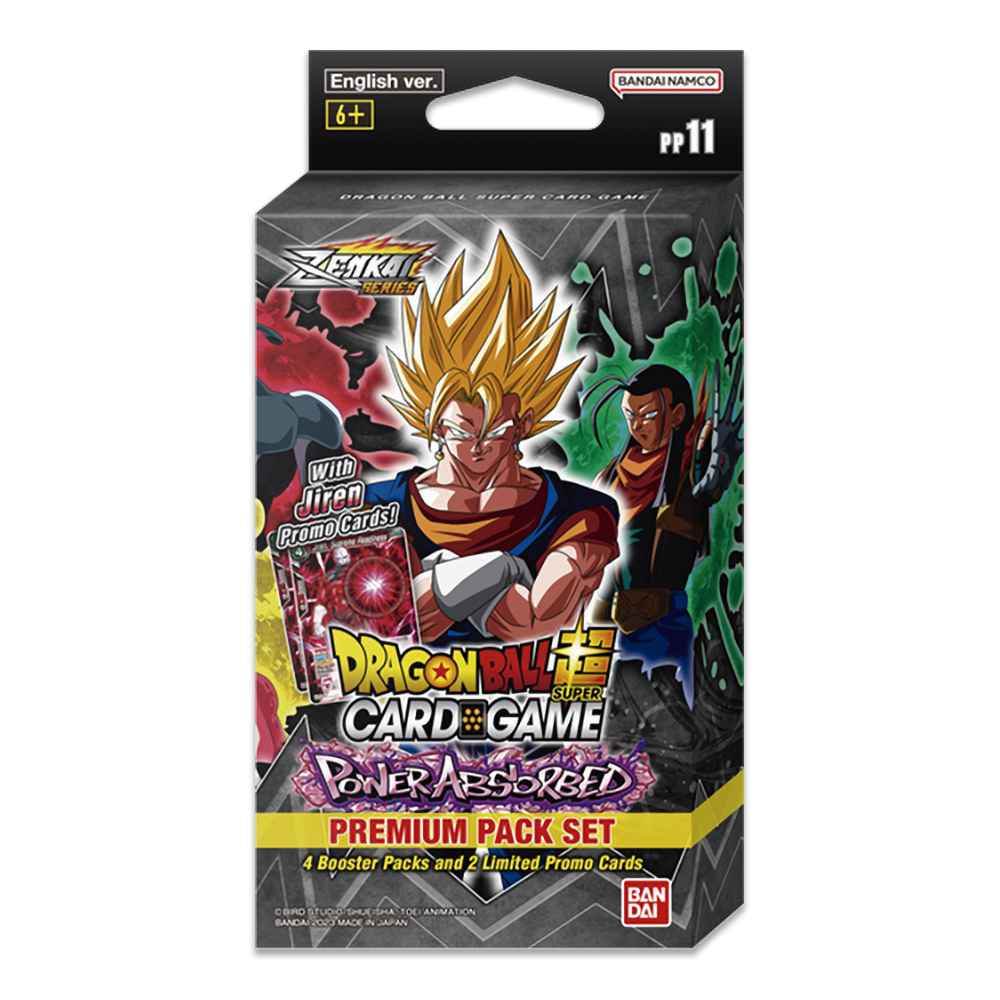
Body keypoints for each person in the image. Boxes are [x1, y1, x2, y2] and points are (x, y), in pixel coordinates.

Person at [366, 232, 619, 645]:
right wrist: (502, 569)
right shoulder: (380, 506)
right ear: (436, 425)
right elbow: (392, 620)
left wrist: (440, 575)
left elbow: (537, 621)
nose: (478, 445)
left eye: (495, 431)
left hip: (534, 687)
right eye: (462, 431)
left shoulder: (580, 510)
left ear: (523, 425)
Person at [587, 359, 743, 707]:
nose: (636, 425)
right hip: (608, 622)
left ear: (677, 414)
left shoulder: (689, 467)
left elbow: (705, 489)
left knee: (666, 726)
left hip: (663, 625)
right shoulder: (610, 477)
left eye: (648, 415)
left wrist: (716, 475)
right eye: (630, 415)